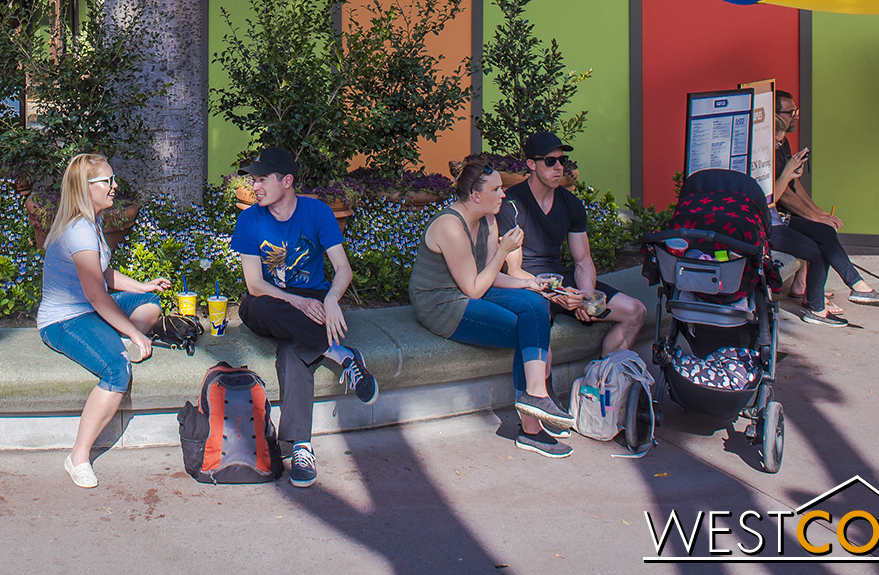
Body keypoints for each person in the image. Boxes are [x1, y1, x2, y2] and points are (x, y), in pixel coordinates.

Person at [412, 155, 578, 458]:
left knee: (536, 304)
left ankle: (535, 396)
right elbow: (474, 288)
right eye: (497, 189)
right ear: (476, 195)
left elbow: (489, 277)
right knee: (524, 329)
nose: (504, 194)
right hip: (442, 304)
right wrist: (504, 249)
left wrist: (528, 284)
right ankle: (532, 424)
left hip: (471, 289)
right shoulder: (450, 226)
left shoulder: (488, 219)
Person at [231, 146, 377, 489]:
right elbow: (254, 285)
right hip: (270, 301)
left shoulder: (317, 212)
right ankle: (341, 355)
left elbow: (343, 268)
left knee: (292, 351)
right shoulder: (249, 219)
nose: (256, 186)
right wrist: (295, 302)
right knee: (259, 305)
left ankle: (301, 446)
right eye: (253, 180)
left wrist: (331, 299)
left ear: (287, 181)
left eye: (262, 179)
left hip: (313, 301)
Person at [36, 153, 170, 489]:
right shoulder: (79, 231)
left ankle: (119, 338)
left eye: (113, 179)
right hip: (65, 320)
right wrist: (135, 335)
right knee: (117, 369)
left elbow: (102, 273)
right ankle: (78, 457)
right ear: (86, 187)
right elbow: (97, 295)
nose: (114, 186)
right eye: (107, 181)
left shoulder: (90, 220)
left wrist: (142, 286)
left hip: (90, 308)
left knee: (150, 304)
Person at [502, 131, 647, 355]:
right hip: (528, 284)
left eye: (562, 161)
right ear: (531, 164)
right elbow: (514, 270)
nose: (559, 167)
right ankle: (541, 390)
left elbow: (582, 260)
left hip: (560, 278)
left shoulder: (571, 203)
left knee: (634, 311)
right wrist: (561, 294)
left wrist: (586, 297)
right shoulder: (512, 204)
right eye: (550, 161)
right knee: (539, 332)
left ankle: (604, 382)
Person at [767, 91, 879, 326]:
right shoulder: (759, 158)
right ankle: (816, 308)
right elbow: (773, 197)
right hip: (767, 223)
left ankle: (857, 286)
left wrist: (817, 213)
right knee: (817, 249)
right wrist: (788, 177)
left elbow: (787, 188)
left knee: (825, 233)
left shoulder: (777, 145)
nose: (778, 144)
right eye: (775, 140)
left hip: (778, 218)